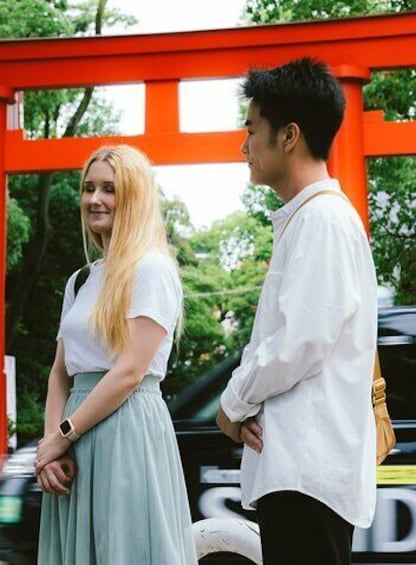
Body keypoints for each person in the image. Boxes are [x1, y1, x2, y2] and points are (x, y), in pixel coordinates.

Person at [216, 58, 377, 565]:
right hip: (298, 467)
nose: (243, 147)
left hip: (308, 472)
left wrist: (232, 404)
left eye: (251, 130)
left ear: (288, 135)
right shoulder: (310, 219)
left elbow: (297, 342)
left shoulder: (323, 220)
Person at [34, 145, 196, 564]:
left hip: (126, 429)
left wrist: (64, 435)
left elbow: (129, 372)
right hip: (74, 433)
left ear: (134, 197)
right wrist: (52, 446)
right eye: (88, 189)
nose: (94, 199)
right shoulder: (80, 280)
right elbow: (59, 374)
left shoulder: (152, 269)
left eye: (109, 189)